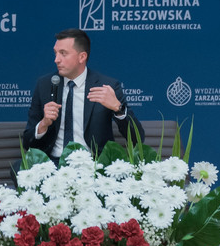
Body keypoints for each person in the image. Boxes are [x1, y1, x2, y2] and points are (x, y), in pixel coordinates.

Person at [21, 28, 142, 160]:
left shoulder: (107, 86)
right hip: (54, 163)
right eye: (55, 53)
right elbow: (27, 143)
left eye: (63, 53)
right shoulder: (44, 85)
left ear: (82, 57)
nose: (56, 59)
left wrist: (118, 109)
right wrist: (43, 124)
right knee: (17, 168)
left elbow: (138, 139)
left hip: (93, 163)